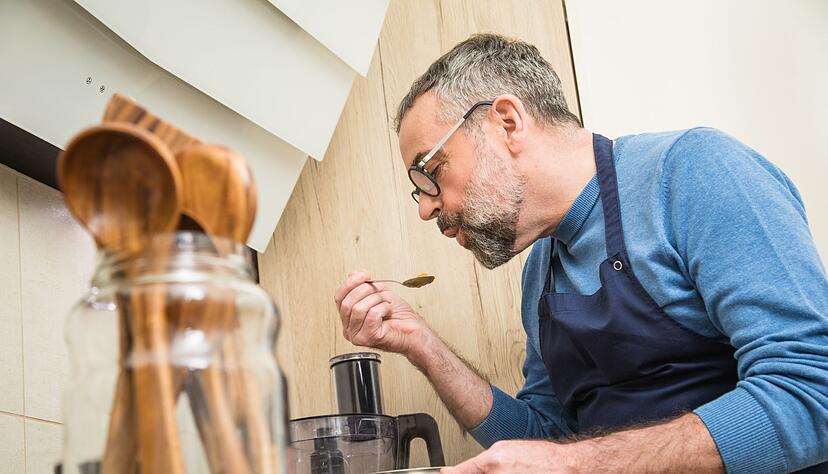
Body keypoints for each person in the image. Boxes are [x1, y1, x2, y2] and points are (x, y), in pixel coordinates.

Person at [334, 34, 828, 473]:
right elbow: (547, 441)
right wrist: (423, 344)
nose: (426, 208)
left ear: (506, 122)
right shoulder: (539, 274)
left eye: (430, 171)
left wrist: (576, 464)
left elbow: (814, 392)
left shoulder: (693, 172)